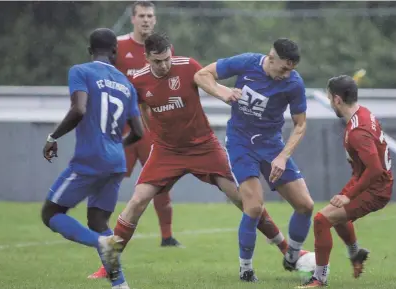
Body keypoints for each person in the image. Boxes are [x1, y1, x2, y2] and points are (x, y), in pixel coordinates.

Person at [104, 32, 297, 288]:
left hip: (204, 146)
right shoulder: (138, 81)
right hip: (166, 151)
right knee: (137, 201)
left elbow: (207, 80)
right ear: (147, 57)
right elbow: (141, 110)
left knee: (246, 200)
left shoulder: (188, 67)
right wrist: (157, 138)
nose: (164, 65)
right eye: (157, 61)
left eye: (167, 59)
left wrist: (223, 91)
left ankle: (286, 249)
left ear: (171, 52)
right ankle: (107, 264)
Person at [194, 38, 314, 281]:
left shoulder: (294, 83)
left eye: (291, 70)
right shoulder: (246, 63)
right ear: (271, 58)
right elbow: (201, 75)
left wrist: (283, 157)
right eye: (283, 68)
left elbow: (300, 125)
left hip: (272, 146)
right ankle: (246, 269)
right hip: (241, 143)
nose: (286, 74)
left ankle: (291, 256)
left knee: (306, 205)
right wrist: (222, 91)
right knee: (254, 206)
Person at [40, 28, 144, 283]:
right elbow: (140, 132)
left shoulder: (82, 71)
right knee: (98, 219)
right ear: (114, 52)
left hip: (90, 159)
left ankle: (102, 242)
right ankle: (120, 283)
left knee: (51, 213)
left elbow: (79, 109)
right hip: (116, 162)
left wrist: (53, 137)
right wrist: (116, 145)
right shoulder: (126, 84)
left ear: (89, 51)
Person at [88, 0, 181, 281]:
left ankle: (167, 237)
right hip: (121, 129)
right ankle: (101, 231)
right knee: (110, 180)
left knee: (159, 187)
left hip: (151, 131)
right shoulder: (117, 47)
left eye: (150, 16)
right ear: (133, 18)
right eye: (142, 15)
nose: (146, 20)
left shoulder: (161, 50)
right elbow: (99, 78)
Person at [297, 75, 393, 288]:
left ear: (337, 99)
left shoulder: (358, 131)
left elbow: (375, 169)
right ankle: (355, 254)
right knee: (334, 216)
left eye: (330, 97)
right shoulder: (363, 114)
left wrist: (348, 194)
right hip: (366, 180)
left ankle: (319, 279)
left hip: (376, 188)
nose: (330, 102)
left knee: (322, 220)